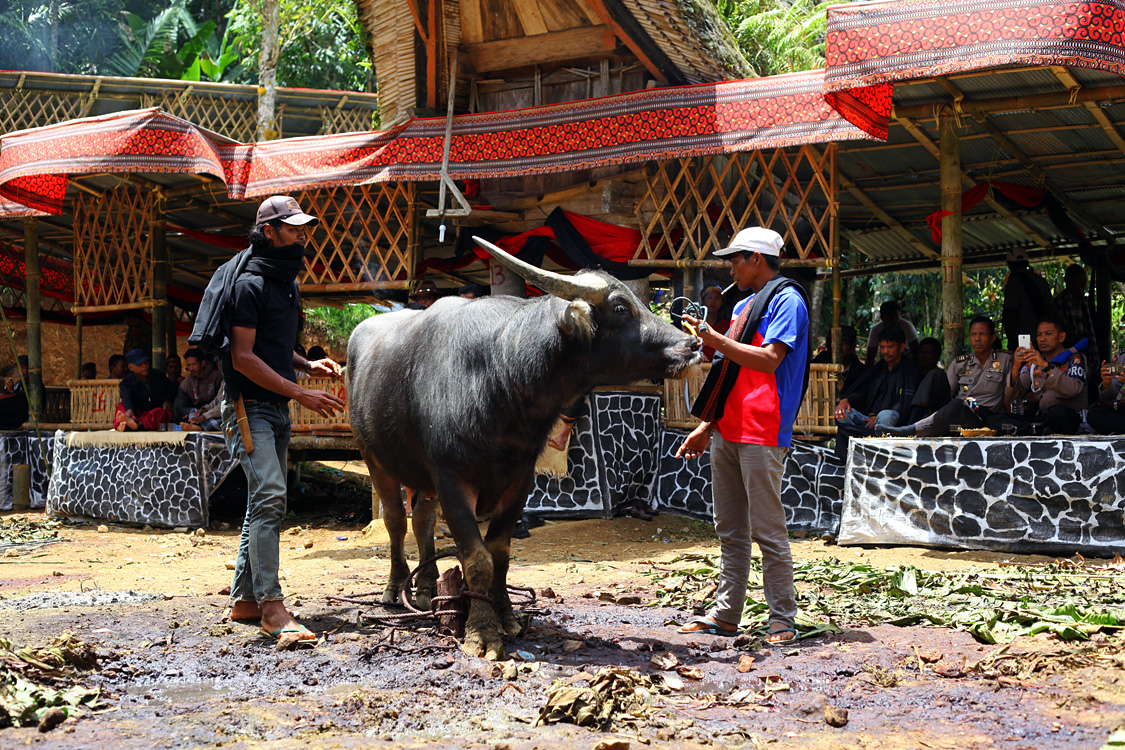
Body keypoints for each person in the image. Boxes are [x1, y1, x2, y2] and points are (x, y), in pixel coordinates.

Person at [211, 194, 344, 644]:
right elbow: (245, 358)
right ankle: (272, 608)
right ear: (269, 232)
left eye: (303, 228)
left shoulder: (283, 281)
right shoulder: (248, 284)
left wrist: (306, 366)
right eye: (293, 229)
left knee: (262, 500)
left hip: (277, 406)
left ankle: (245, 601)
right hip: (248, 407)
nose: (302, 235)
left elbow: (270, 346)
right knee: (270, 495)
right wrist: (300, 392)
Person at [674, 226, 808, 645]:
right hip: (727, 430)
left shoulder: (788, 300)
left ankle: (782, 619)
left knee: (767, 530)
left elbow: (769, 361)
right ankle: (726, 614)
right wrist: (705, 426)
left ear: (756, 258)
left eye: (735, 259)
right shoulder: (744, 306)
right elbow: (729, 372)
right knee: (729, 530)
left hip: (763, 431)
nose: (730, 266)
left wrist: (714, 338)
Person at [882, 316, 1012, 437]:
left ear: (992, 338)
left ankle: (908, 431)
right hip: (955, 410)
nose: (977, 338)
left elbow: (1011, 396)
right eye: (973, 334)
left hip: (981, 417)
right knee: (935, 374)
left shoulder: (1005, 360)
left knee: (959, 405)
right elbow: (946, 393)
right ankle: (911, 424)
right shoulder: (961, 362)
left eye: (982, 334)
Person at [1001, 316, 1087, 435]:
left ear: (1061, 337)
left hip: (1067, 417)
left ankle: (1032, 429)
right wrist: (1016, 366)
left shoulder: (1075, 359)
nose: (1042, 339)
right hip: (1041, 415)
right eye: (1039, 335)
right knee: (995, 420)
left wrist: (1044, 365)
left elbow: (1072, 389)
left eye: (1048, 334)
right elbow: (1015, 395)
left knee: (1059, 412)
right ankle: (1034, 429)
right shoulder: (1033, 363)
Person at [1053, 264, 1099, 389]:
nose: (1084, 284)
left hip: (1086, 353)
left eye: (1085, 280)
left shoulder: (1084, 301)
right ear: (1069, 281)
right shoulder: (1061, 301)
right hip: (1070, 354)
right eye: (1081, 280)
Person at [1002, 247, 1053, 351]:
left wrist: (1011, 340)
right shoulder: (1041, 281)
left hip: (1023, 339)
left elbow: (1012, 312)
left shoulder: (1014, 282)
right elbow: (1050, 310)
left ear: (1010, 265)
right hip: (1043, 337)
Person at [113, 348, 175, 431]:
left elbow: (171, 388)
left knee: (161, 413)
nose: (145, 366)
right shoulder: (126, 382)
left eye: (146, 362)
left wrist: (168, 400)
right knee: (120, 407)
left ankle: (134, 425)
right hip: (136, 414)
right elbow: (126, 396)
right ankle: (126, 423)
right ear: (131, 367)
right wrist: (129, 410)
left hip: (152, 414)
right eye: (140, 364)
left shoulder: (158, 375)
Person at [175, 347, 224, 431]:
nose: (191, 368)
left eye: (194, 364)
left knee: (217, 423)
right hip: (201, 413)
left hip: (216, 414)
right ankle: (196, 424)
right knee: (192, 414)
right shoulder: (186, 384)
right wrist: (200, 411)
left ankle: (198, 427)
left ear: (203, 363)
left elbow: (221, 404)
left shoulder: (217, 377)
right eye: (188, 365)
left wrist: (206, 414)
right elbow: (180, 406)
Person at [812, 325, 866, 394]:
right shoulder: (820, 360)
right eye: (834, 343)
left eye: (842, 344)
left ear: (852, 347)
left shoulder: (859, 371)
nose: (837, 348)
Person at [909, 337, 951, 422]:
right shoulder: (913, 374)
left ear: (937, 357)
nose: (923, 356)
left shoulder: (938, 375)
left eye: (927, 353)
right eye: (921, 352)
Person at [1086, 351, 1125, 434]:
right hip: (1121, 411)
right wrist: (1107, 383)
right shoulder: (1122, 356)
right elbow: (1110, 396)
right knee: (1094, 415)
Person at [0, 364, 29, 429]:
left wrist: (11, 392)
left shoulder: (32, 385)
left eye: (23, 368)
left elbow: (20, 402)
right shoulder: (19, 384)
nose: (20, 371)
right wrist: (10, 390)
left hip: (21, 416)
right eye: (18, 369)